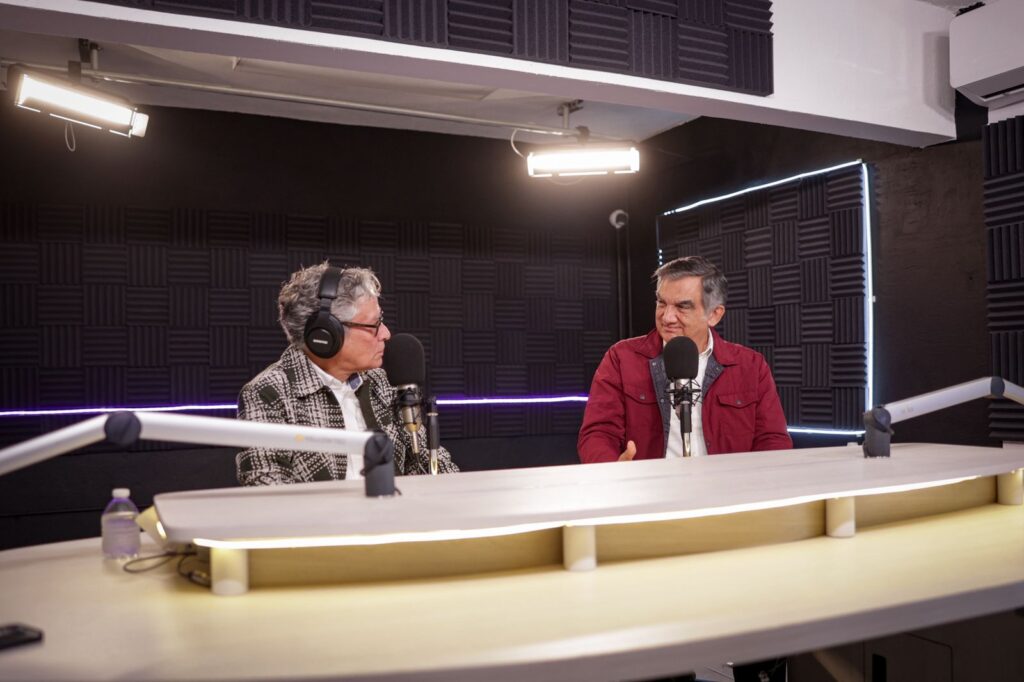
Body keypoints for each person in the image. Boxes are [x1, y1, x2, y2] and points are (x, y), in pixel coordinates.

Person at [236, 262, 458, 485]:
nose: (386, 334)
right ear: (326, 334)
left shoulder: (382, 382)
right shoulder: (267, 394)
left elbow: (431, 465)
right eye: (374, 324)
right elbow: (267, 489)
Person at [578, 255, 792, 463]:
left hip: (727, 484)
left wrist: (753, 479)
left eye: (682, 306)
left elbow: (772, 439)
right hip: (648, 484)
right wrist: (612, 468)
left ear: (714, 315)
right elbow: (598, 433)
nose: (667, 317)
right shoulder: (622, 359)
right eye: (661, 303)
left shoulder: (751, 366)